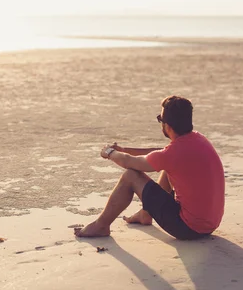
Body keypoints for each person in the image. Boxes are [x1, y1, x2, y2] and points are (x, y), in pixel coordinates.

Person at [74, 95, 225, 240]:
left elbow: (128, 162)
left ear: (167, 125)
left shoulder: (172, 154)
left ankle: (101, 225)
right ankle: (145, 214)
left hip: (189, 229)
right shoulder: (197, 139)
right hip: (210, 224)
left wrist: (109, 152)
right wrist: (125, 149)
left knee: (130, 176)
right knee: (169, 169)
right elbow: (162, 153)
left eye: (160, 119)